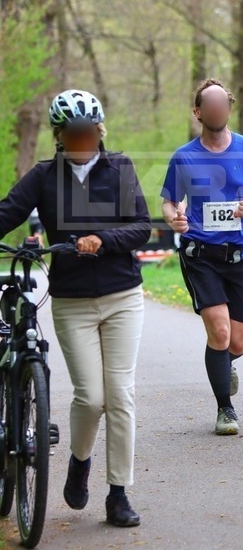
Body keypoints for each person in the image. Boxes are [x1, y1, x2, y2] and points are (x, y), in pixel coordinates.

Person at [0, 89, 151, 526]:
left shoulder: (119, 169)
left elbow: (142, 226)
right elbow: (8, 212)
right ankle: (79, 461)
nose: (81, 139)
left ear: (99, 131)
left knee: (120, 395)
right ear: (60, 136)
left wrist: (103, 239)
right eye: (72, 133)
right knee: (90, 397)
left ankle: (118, 494)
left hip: (123, 297)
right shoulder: (44, 176)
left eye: (88, 131)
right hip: (72, 301)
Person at [161, 78, 243, 435]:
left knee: (237, 342)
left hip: (240, 255)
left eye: (224, 103)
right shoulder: (184, 156)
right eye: (211, 104)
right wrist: (174, 218)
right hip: (201, 255)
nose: (219, 109)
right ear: (199, 112)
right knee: (220, 333)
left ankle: (222, 364)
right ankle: (226, 409)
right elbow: (169, 202)